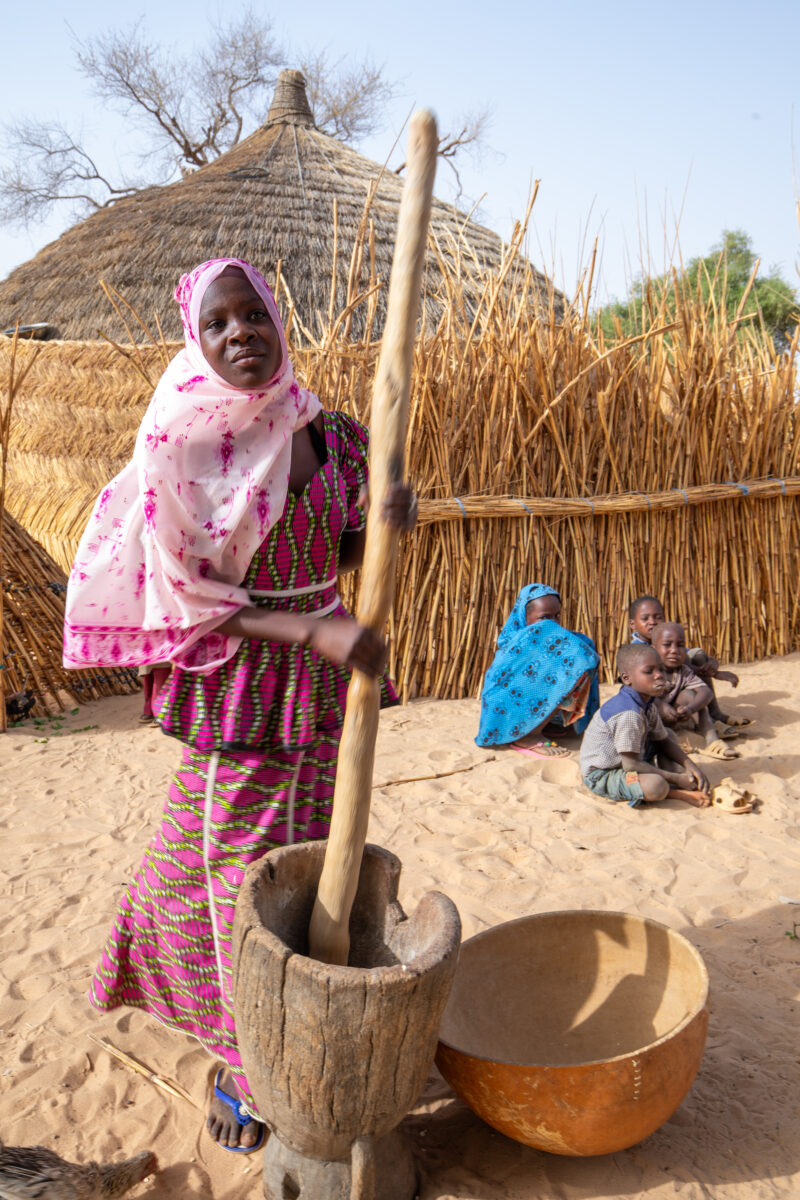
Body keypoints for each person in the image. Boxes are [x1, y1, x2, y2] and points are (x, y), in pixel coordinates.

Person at [63, 258, 415, 1153]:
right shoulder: (180, 447)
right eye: (217, 324)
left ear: (277, 319)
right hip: (247, 677)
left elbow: (336, 548)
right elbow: (185, 593)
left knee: (308, 856)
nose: (239, 336)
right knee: (222, 874)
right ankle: (238, 1059)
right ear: (196, 337)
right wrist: (313, 635)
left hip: (323, 685)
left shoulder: (329, 431)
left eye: (252, 315)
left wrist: (388, 523)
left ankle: (298, 1029)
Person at [476, 584, 600, 758]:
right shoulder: (513, 646)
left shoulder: (560, 644)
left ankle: (545, 724)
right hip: (509, 712)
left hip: (532, 708)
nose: (552, 624)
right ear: (524, 617)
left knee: (584, 653)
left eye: (556, 617)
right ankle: (528, 736)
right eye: (544, 618)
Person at [580, 643, 710, 808]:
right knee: (655, 785)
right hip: (605, 774)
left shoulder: (647, 702)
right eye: (649, 671)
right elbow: (630, 765)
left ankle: (674, 779)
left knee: (668, 734)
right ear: (627, 678)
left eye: (661, 670)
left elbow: (663, 741)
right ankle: (673, 789)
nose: (659, 676)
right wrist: (674, 778)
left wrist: (692, 766)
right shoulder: (629, 713)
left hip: (629, 758)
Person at [627, 594, 752, 729]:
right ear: (632, 624)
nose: (652, 622)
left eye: (658, 617)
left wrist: (712, 664)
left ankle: (715, 713)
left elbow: (686, 655)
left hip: (677, 689)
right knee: (686, 660)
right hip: (659, 700)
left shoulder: (664, 638)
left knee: (698, 654)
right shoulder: (636, 650)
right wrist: (712, 674)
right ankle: (709, 721)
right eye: (645, 618)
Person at [651, 622, 740, 761]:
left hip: (671, 718)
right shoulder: (648, 671)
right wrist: (661, 706)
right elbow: (636, 695)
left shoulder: (683, 671)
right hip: (649, 722)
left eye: (680, 645)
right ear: (654, 648)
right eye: (667, 645)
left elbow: (706, 692)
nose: (674, 650)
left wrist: (690, 708)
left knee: (690, 695)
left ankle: (712, 739)